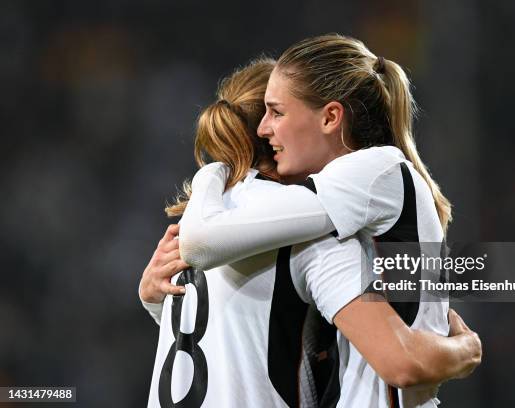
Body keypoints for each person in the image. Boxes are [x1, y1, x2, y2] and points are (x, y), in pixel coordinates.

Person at [140, 57, 481, 408]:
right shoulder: (308, 235)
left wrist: (152, 301)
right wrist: (466, 350)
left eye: (280, 112)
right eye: (273, 111)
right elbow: (400, 361)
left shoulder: (203, 215)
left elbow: (204, 344)